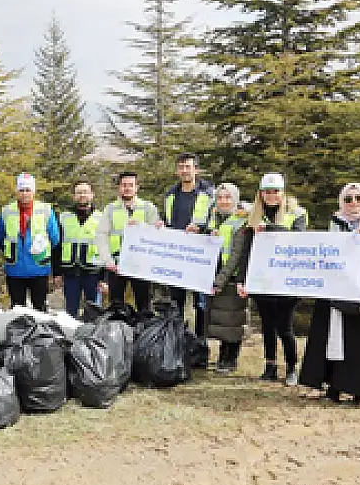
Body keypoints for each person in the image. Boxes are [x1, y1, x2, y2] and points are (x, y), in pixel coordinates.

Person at [299, 183, 360, 405]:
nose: (354, 203)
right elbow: (325, 255)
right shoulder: (335, 223)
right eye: (348, 199)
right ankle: (334, 386)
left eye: (359, 198)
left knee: (359, 343)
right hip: (335, 292)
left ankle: (359, 389)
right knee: (334, 340)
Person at [225, 173, 309, 385]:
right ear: (260, 194)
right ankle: (270, 366)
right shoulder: (253, 217)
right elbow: (246, 252)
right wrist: (242, 280)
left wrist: (270, 229)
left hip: (287, 281)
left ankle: (292, 368)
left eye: (275, 192)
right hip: (262, 280)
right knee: (268, 326)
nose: (271, 196)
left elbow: (297, 241)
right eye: (267, 192)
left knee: (285, 327)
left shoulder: (296, 214)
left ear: (282, 192)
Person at [161, 154, 216, 336]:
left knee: (201, 303)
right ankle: (176, 343)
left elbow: (217, 220)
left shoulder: (209, 194)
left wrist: (202, 228)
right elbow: (168, 222)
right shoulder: (170, 195)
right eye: (181, 167)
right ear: (177, 170)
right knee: (176, 302)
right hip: (177, 255)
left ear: (196, 169)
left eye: (188, 167)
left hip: (200, 256)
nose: (184, 170)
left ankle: (200, 344)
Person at [95, 171, 160, 313]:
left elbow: (156, 235)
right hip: (117, 264)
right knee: (116, 305)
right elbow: (102, 235)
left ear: (137, 187)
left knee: (144, 305)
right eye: (124, 185)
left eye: (131, 185)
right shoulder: (110, 209)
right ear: (119, 187)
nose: (127, 188)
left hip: (141, 265)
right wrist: (108, 261)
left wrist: (142, 225)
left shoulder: (148, 208)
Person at [0, 173, 60, 311]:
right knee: (17, 311)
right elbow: (1, 238)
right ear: (17, 191)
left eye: (28, 190)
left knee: (40, 310)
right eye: (21, 190)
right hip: (15, 269)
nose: (24, 193)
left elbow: (55, 239)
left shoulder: (46, 210)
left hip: (39, 268)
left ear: (33, 191)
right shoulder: (6, 211)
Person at [208, 184, 249, 373]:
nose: (223, 201)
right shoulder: (213, 220)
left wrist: (220, 280)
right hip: (217, 276)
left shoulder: (241, 222)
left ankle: (231, 358)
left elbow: (236, 255)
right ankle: (223, 356)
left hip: (232, 278)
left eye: (228, 197)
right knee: (223, 321)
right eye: (220, 197)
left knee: (234, 320)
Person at [54, 180, 103, 319]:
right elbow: (57, 247)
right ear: (74, 196)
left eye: (85, 192)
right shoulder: (64, 217)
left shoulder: (102, 218)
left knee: (94, 313)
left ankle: (93, 340)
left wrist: (104, 278)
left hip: (93, 273)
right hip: (70, 273)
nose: (82, 195)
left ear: (92, 194)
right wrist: (57, 273)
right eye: (79, 192)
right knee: (70, 313)